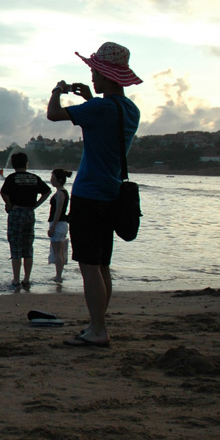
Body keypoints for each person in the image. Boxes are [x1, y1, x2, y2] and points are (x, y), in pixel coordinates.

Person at [47, 42, 141, 348]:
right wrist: (89, 98)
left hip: (89, 195)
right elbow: (104, 123)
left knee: (89, 267)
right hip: (112, 193)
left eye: (94, 71)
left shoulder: (98, 108)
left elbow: (53, 115)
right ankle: (96, 324)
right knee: (102, 265)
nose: (91, 76)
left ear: (107, 75)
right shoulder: (129, 110)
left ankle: (99, 329)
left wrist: (57, 91)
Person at [0, 152, 52, 288]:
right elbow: (47, 191)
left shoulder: (12, 178)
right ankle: (27, 279)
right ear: (26, 164)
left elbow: (3, 192)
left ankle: (16, 280)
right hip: (29, 213)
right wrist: (36, 204)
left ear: (13, 164)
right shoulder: (34, 178)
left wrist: (10, 205)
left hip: (16, 213)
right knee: (28, 246)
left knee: (16, 246)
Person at [47, 169, 72, 283]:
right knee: (59, 251)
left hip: (59, 224)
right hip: (61, 224)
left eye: (53, 178)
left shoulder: (61, 193)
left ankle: (58, 276)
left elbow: (58, 211)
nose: (51, 180)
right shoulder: (61, 192)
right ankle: (58, 275)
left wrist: (53, 227)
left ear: (59, 180)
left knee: (57, 251)